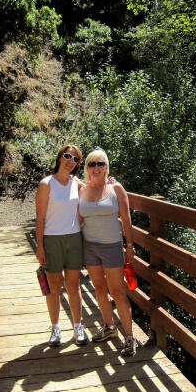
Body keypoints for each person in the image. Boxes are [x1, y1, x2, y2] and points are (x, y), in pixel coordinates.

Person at [78, 148, 137, 356]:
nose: (96, 168)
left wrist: (129, 246)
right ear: (86, 168)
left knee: (118, 292)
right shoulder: (82, 190)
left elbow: (127, 219)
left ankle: (129, 337)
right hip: (90, 246)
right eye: (92, 164)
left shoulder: (116, 189)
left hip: (112, 246)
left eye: (100, 163)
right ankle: (110, 328)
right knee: (99, 288)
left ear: (106, 166)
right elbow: (77, 219)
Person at [35, 144, 89, 347]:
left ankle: (78, 327)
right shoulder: (46, 184)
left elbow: (93, 186)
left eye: (75, 159)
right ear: (59, 157)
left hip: (74, 238)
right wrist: (40, 247)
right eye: (67, 156)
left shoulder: (75, 182)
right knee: (54, 287)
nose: (70, 161)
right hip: (52, 240)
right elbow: (39, 218)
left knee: (74, 285)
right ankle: (55, 328)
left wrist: (109, 183)